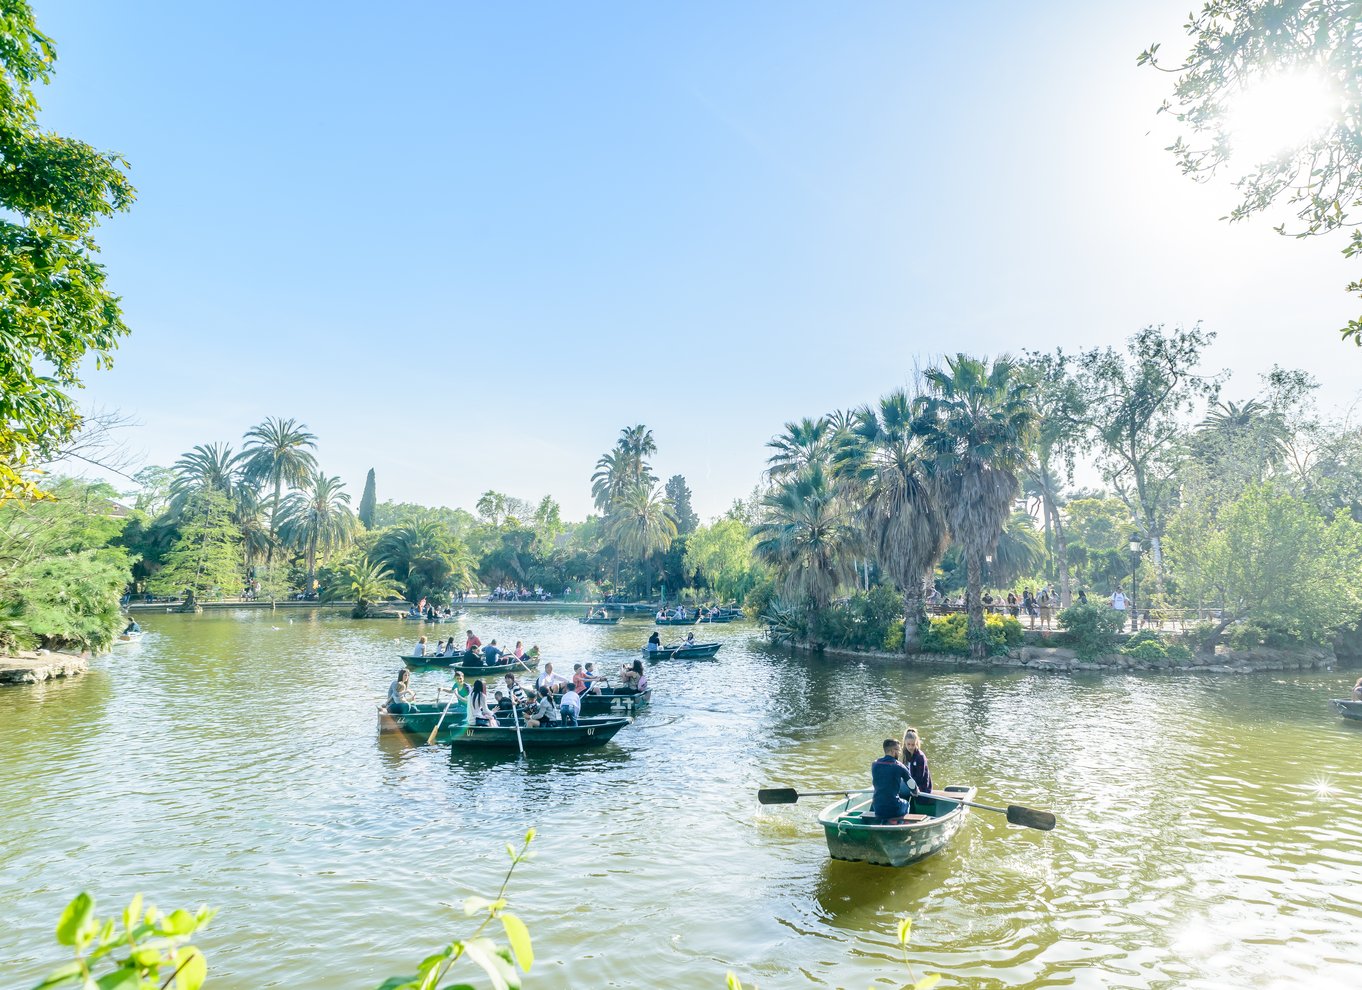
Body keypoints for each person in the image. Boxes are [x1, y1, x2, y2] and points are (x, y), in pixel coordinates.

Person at [870, 738, 917, 822]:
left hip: (877, 808)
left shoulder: (875, 764)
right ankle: (902, 824)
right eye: (898, 750)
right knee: (907, 804)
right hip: (894, 808)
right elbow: (911, 784)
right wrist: (915, 792)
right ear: (893, 751)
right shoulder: (899, 766)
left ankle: (883, 822)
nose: (899, 753)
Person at [900, 728, 933, 795]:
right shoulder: (905, 754)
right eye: (908, 744)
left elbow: (919, 779)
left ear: (916, 743)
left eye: (913, 745)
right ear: (905, 743)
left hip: (921, 787)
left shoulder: (920, 757)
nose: (910, 747)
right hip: (910, 782)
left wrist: (906, 782)